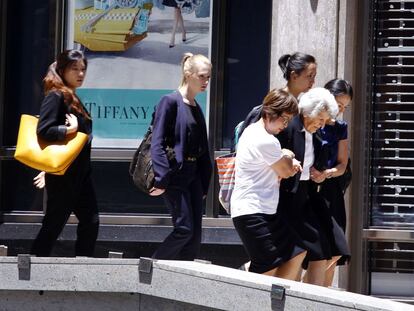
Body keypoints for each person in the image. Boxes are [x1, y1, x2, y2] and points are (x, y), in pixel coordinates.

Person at [31, 50, 99, 257]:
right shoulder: (56, 96)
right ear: (62, 70)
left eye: (83, 69)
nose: (80, 74)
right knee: (54, 223)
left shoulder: (71, 96)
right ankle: (31, 267)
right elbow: (44, 130)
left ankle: (83, 265)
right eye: (74, 69)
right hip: (65, 176)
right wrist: (69, 130)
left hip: (80, 174)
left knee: (90, 220)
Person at [231, 88, 301, 278]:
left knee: (296, 252)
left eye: (288, 121)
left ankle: (277, 300)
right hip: (252, 211)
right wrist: (288, 155)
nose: (285, 126)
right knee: (266, 266)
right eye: (284, 119)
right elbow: (286, 171)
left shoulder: (254, 131)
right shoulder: (265, 140)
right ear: (270, 113)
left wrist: (284, 157)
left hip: (263, 210)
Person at [150, 53, 212, 260]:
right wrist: (161, 178)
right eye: (202, 76)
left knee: (194, 237)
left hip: (193, 177)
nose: (206, 82)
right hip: (175, 176)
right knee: (184, 228)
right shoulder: (169, 101)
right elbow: (157, 142)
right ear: (188, 73)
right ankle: (152, 267)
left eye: (208, 77)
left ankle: (181, 281)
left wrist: (204, 184)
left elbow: (202, 148)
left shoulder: (195, 107)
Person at [276, 87, 339, 285]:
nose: (322, 124)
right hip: (283, 198)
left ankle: (311, 302)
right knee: (294, 252)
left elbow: (316, 167)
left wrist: (320, 174)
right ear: (308, 112)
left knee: (321, 251)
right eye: (320, 119)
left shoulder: (317, 135)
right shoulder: (288, 128)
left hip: (305, 196)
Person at [305, 79, 353, 286]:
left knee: (337, 251)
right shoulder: (311, 121)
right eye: (339, 104)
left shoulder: (340, 127)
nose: (340, 110)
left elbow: (342, 165)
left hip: (331, 190)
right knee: (322, 251)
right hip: (309, 189)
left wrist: (328, 173)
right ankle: (308, 290)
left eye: (345, 107)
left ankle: (318, 294)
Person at [235, 52, 317, 149]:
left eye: (314, 76)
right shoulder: (275, 104)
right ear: (294, 76)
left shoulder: (301, 106)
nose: (313, 81)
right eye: (310, 76)